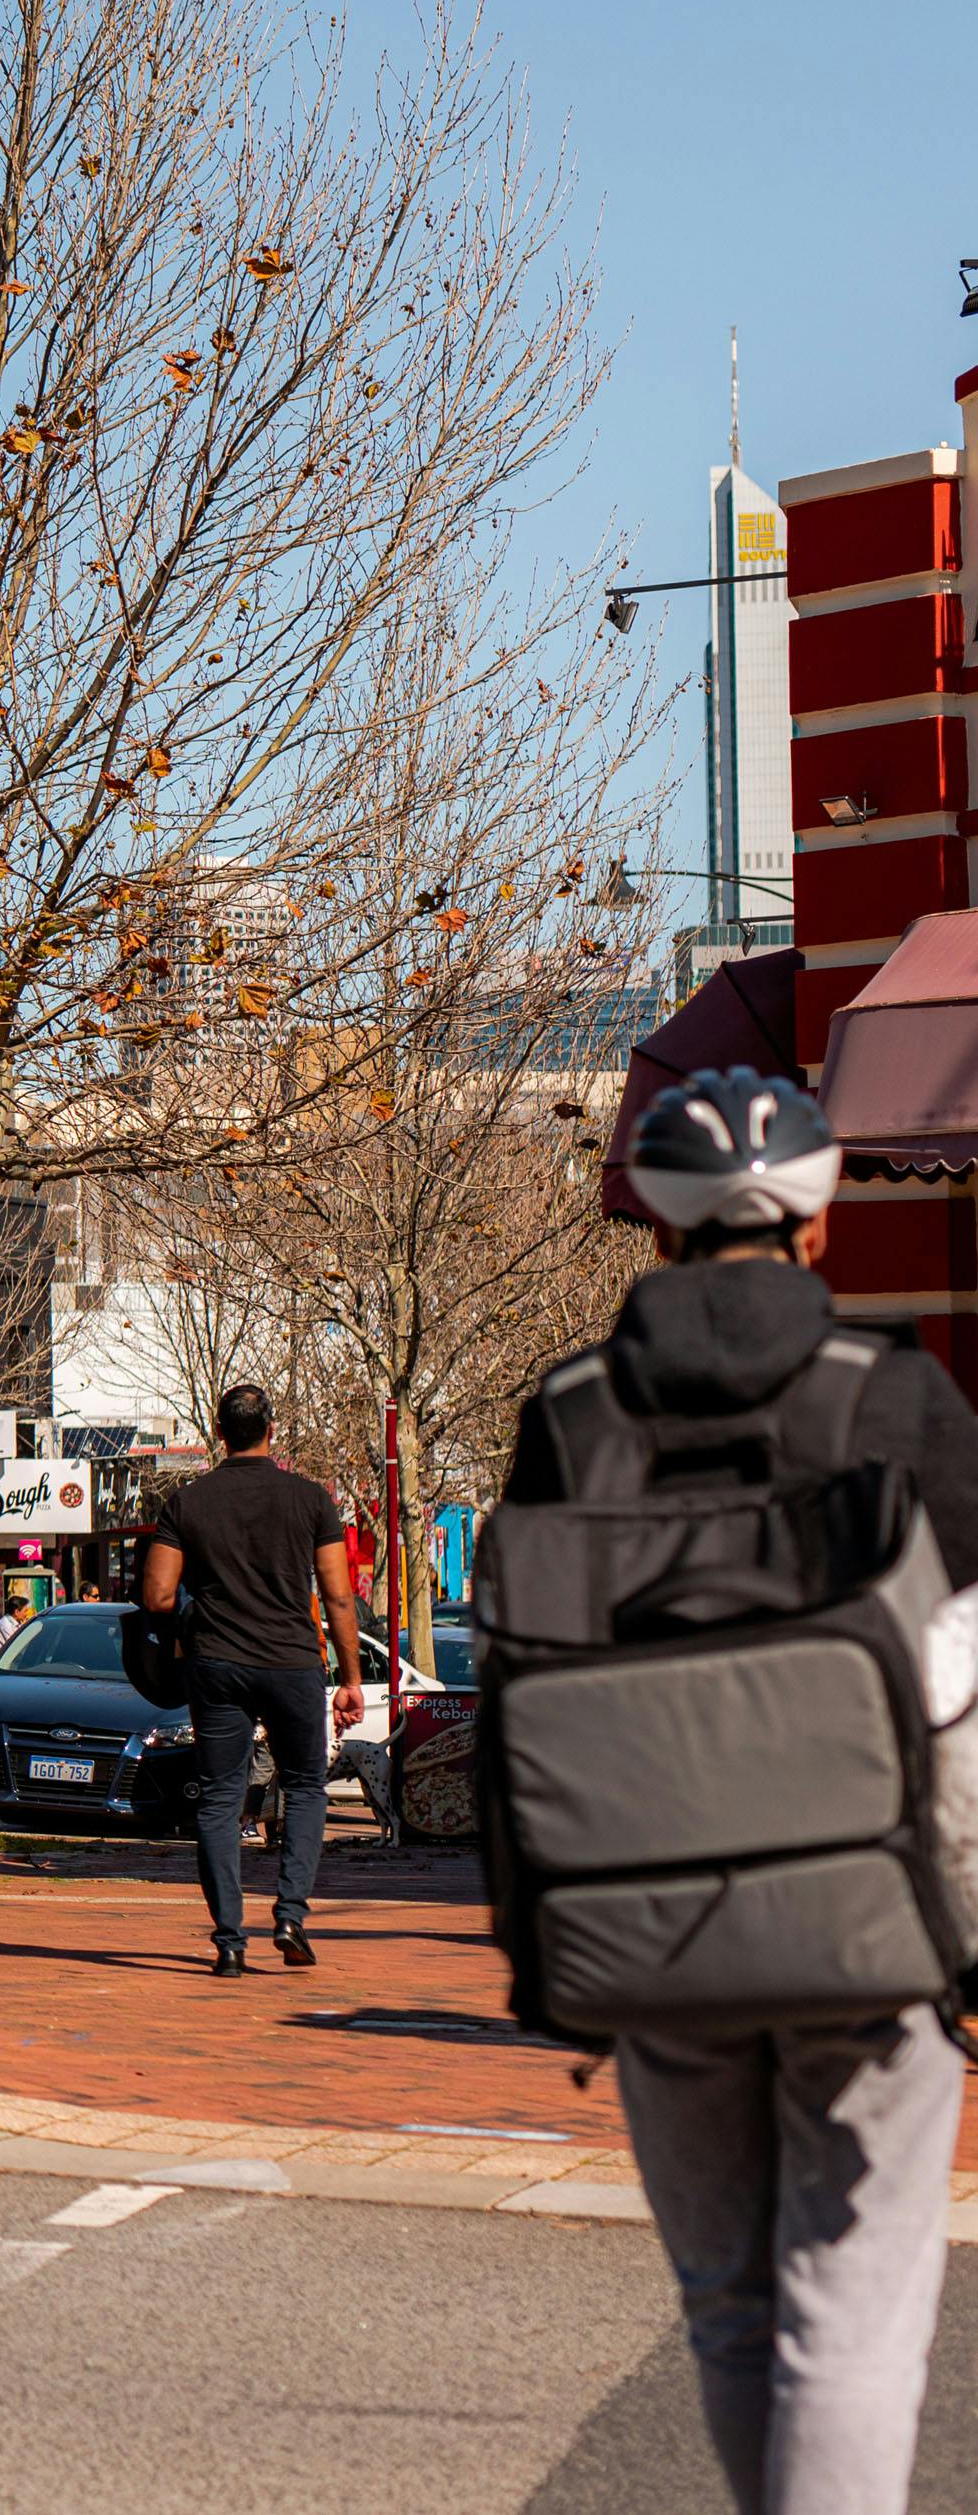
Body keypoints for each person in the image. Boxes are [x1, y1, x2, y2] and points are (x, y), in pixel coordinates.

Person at [505, 1068, 978, 2514]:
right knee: (851, 2303)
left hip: (647, 1926)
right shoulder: (897, 1398)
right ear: (822, 1228)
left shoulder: (572, 1417)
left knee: (726, 2292)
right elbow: (963, 1682)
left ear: (652, 1232)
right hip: (870, 1911)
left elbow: (525, 1671)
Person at [138, 1384, 365, 1975]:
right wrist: (350, 1679)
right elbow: (339, 1598)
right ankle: (290, 1915)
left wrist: (198, 1616)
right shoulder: (311, 1500)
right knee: (307, 1786)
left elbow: (158, 1596)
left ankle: (230, 1942)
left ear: (219, 1433)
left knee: (219, 1798)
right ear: (272, 1429)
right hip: (292, 1662)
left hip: (215, 1665)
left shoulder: (186, 1503)